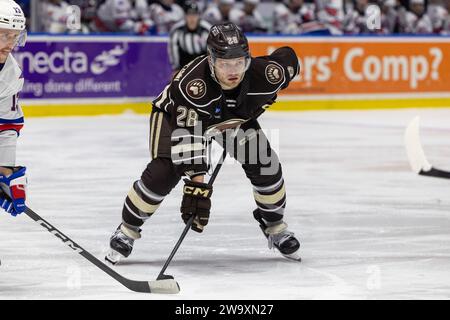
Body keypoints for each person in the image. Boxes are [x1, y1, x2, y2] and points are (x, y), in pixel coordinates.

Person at [105, 22, 301, 264]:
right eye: (224, 64)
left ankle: (275, 227)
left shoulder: (269, 75)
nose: (233, 71)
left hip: (230, 120)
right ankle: (126, 231)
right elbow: (189, 140)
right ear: (211, 60)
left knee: (266, 166)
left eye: (239, 62)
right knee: (164, 171)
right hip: (175, 116)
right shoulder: (191, 87)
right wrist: (198, 189)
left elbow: (289, 57)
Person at [0, 0, 28, 217]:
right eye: (4, 35)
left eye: (15, 36)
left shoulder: (10, 73)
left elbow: (6, 126)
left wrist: (6, 172)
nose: (10, 43)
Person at [168, 1, 211, 75]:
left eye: (194, 15)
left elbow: (212, 49)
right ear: (185, 16)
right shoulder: (177, 30)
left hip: (204, 65)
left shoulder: (207, 29)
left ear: (199, 16)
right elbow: (173, 50)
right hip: (184, 65)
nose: (192, 18)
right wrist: (176, 68)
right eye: (189, 15)